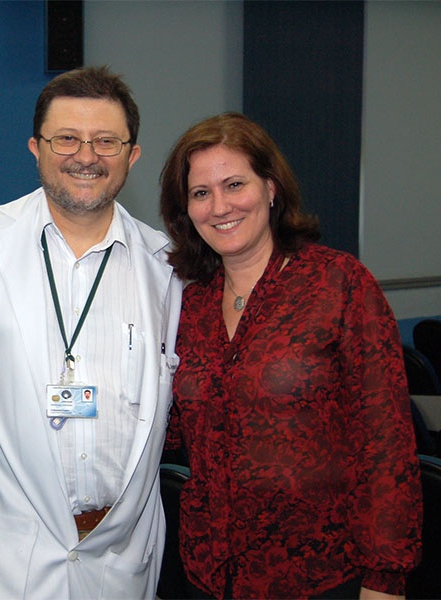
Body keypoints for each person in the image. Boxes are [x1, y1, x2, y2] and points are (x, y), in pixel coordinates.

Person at [0, 66, 182, 599]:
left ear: (132, 155)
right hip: (0, 554)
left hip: (117, 555)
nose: (86, 156)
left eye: (106, 141)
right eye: (67, 138)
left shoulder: (167, 266)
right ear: (36, 147)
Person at [159, 112, 422, 599]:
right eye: (201, 193)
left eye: (235, 184)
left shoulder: (338, 284)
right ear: (185, 209)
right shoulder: (187, 305)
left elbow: (386, 443)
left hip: (320, 575)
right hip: (209, 575)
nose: (220, 206)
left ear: (271, 187)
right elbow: (169, 428)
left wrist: (386, 578)